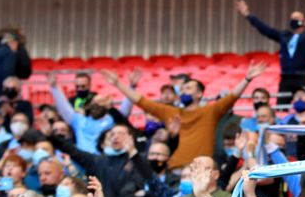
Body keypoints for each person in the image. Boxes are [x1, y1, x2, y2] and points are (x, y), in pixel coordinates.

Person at [110, 61, 267, 169]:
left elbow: (232, 96)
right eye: (182, 89)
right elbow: (141, 101)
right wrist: (119, 84)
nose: (184, 91)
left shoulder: (210, 111)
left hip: (202, 169)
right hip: (175, 169)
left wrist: (247, 79)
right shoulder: (170, 111)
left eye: (189, 89)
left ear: (199, 94)